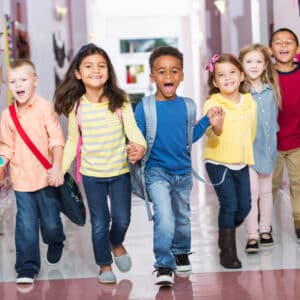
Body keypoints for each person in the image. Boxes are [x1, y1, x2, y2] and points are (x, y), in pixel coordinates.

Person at [130, 46, 223, 286]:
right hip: (156, 172)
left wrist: (207, 122)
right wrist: (132, 148)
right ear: (152, 76)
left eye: (174, 71)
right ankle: (163, 263)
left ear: (181, 75)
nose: (168, 76)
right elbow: (137, 137)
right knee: (165, 217)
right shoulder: (145, 106)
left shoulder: (188, 105)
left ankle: (181, 250)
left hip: (182, 173)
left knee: (182, 217)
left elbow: (188, 136)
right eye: (161, 72)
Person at [54, 43, 146, 284]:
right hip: (92, 175)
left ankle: (116, 243)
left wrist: (140, 146)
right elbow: (73, 140)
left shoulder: (120, 100)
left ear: (109, 70)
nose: (96, 70)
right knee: (99, 223)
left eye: (101, 65)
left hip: (119, 172)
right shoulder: (76, 106)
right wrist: (59, 171)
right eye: (88, 66)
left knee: (122, 218)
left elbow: (133, 130)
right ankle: (104, 266)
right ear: (78, 73)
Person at [0, 59, 65, 284]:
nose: (18, 85)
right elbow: (6, 146)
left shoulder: (44, 107)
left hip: (46, 177)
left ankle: (56, 240)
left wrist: (57, 167)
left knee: (50, 222)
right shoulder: (7, 115)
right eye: (12, 81)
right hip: (21, 179)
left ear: (35, 81)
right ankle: (27, 267)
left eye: (23, 79)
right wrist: (1, 164)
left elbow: (57, 139)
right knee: (25, 223)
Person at [203, 53, 257, 268]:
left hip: (241, 161)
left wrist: (247, 154)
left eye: (232, 72)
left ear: (242, 76)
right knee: (230, 204)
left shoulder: (249, 102)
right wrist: (216, 125)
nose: (228, 78)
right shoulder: (213, 103)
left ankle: (225, 231)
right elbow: (211, 131)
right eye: (221, 75)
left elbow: (250, 131)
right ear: (215, 82)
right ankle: (228, 254)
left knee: (244, 206)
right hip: (218, 162)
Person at [239, 44, 281, 254]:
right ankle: (252, 234)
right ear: (241, 65)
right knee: (252, 193)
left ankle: (265, 230)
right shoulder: (240, 92)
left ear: (265, 65)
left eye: (258, 61)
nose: (253, 65)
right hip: (248, 151)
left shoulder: (272, 89)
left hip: (269, 149)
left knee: (266, 191)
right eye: (248, 61)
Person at [269, 28, 300, 242]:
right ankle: (263, 226)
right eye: (278, 42)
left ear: (297, 49)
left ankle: (299, 224)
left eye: (288, 42)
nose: (283, 46)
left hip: (297, 141)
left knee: (298, 184)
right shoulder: (265, 75)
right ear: (271, 50)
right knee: (269, 186)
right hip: (271, 145)